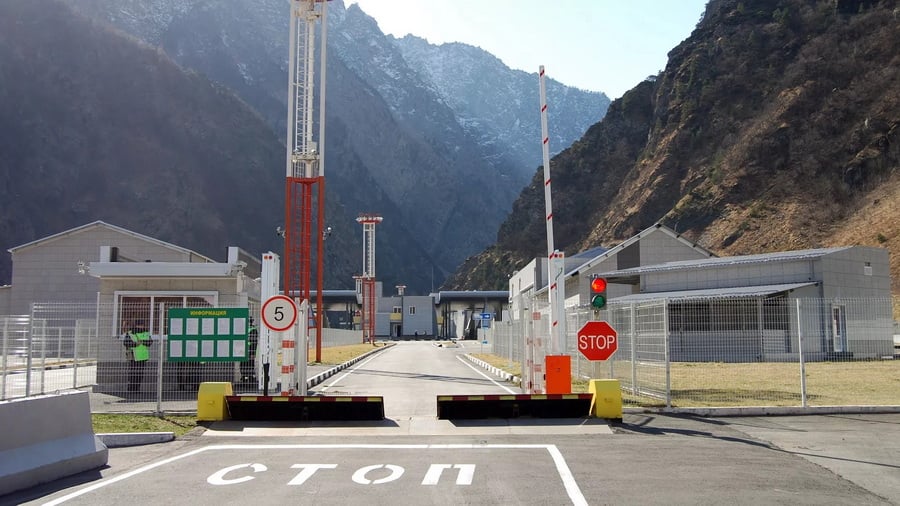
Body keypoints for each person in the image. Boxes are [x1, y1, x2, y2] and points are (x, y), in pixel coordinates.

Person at [123, 320, 152, 392]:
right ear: (136, 325)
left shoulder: (146, 333)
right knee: (133, 373)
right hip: (134, 356)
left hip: (142, 357)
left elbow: (150, 342)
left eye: (142, 325)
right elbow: (126, 342)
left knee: (139, 374)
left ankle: (136, 389)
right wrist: (135, 344)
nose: (141, 326)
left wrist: (142, 342)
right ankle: (131, 388)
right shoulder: (130, 333)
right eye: (139, 325)